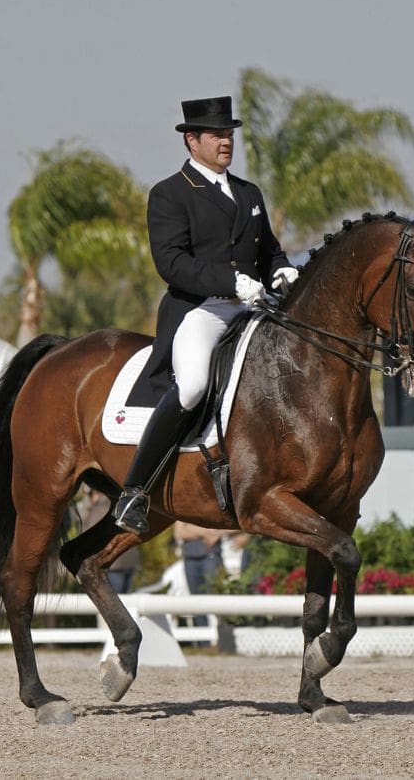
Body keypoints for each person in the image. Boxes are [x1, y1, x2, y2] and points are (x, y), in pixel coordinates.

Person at [113, 96, 298, 535]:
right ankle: (134, 491)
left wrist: (282, 269)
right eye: (216, 135)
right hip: (201, 308)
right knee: (194, 385)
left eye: (229, 133)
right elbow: (171, 263)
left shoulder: (249, 192)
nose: (226, 141)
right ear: (191, 141)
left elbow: (268, 249)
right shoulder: (170, 193)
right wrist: (228, 282)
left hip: (252, 306)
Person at [174, 521, 226, 638]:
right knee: (196, 601)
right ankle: (204, 642)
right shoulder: (183, 506)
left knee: (216, 598)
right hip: (190, 559)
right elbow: (179, 533)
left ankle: (222, 639)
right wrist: (204, 531)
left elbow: (227, 527)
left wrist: (191, 528)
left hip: (211, 556)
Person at [83, 488, 140, 593]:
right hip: (129, 560)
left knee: (112, 601)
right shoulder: (120, 503)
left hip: (113, 564)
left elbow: (88, 537)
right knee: (124, 599)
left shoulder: (100, 508)